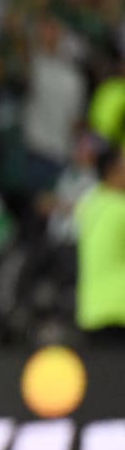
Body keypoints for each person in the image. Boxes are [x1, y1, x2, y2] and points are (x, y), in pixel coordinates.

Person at [73, 139, 125, 347]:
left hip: (91, 310)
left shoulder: (90, 203)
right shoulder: (120, 209)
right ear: (113, 172)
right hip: (119, 310)